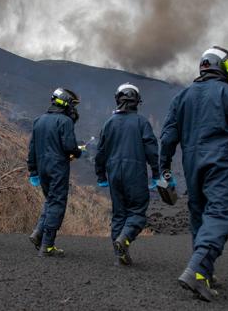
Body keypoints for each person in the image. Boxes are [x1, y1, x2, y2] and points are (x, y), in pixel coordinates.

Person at [160, 46, 228, 301]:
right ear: (224, 66)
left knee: (199, 216)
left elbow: (167, 137)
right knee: (220, 213)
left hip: (191, 166)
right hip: (217, 162)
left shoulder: (182, 97)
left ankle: (204, 274)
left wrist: (164, 169)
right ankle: (197, 269)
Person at [95, 83, 159, 266]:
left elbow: (100, 152)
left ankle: (120, 256)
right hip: (135, 172)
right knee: (137, 211)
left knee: (119, 214)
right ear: (137, 101)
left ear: (118, 99)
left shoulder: (109, 123)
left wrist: (101, 176)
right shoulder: (141, 123)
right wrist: (156, 173)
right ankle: (125, 238)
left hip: (114, 173)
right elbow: (152, 150)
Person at [27, 88, 82, 257]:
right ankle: (47, 246)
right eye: (72, 104)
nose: (74, 108)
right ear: (66, 103)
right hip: (57, 168)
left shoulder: (39, 120)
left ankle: (38, 233)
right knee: (57, 203)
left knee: (50, 200)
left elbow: (32, 148)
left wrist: (33, 170)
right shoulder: (65, 121)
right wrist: (77, 152)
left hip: (42, 167)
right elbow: (69, 146)